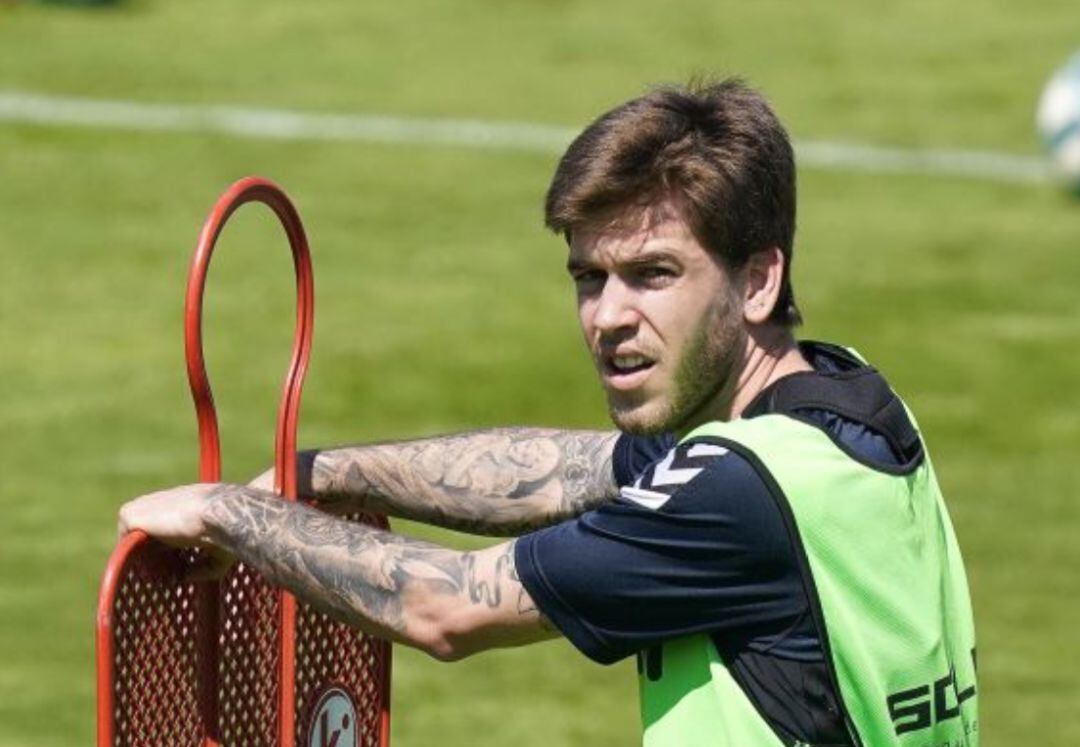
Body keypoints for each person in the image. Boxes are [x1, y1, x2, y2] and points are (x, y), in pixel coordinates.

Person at [118, 80, 979, 746]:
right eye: (587, 277)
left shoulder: (740, 498)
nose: (607, 316)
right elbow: (570, 468)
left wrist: (226, 512)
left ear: (758, 279)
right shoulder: (849, 404)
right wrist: (324, 473)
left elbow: (447, 607)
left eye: (652, 274)